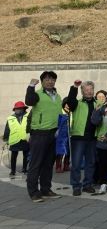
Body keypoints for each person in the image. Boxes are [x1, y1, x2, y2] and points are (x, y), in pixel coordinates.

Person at [24, 71, 62, 203]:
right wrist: (31, 86)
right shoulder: (37, 94)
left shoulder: (57, 96)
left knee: (48, 164)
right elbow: (29, 101)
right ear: (42, 81)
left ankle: (46, 189)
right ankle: (34, 192)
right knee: (36, 164)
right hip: (39, 133)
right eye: (47, 79)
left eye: (52, 79)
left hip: (53, 134)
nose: (50, 81)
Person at [63, 80, 98, 196]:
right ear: (82, 92)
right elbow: (70, 101)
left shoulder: (98, 104)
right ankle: (76, 186)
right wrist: (74, 87)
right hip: (78, 137)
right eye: (86, 90)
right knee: (76, 163)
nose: (89, 92)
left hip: (92, 138)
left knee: (90, 163)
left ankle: (87, 184)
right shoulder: (77, 103)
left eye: (91, 89)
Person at [90, 91, 107, 194]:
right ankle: (103, 183)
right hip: (102, 141)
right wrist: (97, 111)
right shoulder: (102, 109)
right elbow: (95, 122)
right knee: (102, 164)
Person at [3, 101, 30, 176]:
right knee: (13, 156)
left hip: (25, 139)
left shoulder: (28, 116)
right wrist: (6, 139)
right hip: (15, 140)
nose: (17, 110)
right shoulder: (10, 118)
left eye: (19, 108)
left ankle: (24, 169)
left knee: (26, 156)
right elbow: (7, 129)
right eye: (16, 109)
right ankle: (13, 171)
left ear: (23, 109)